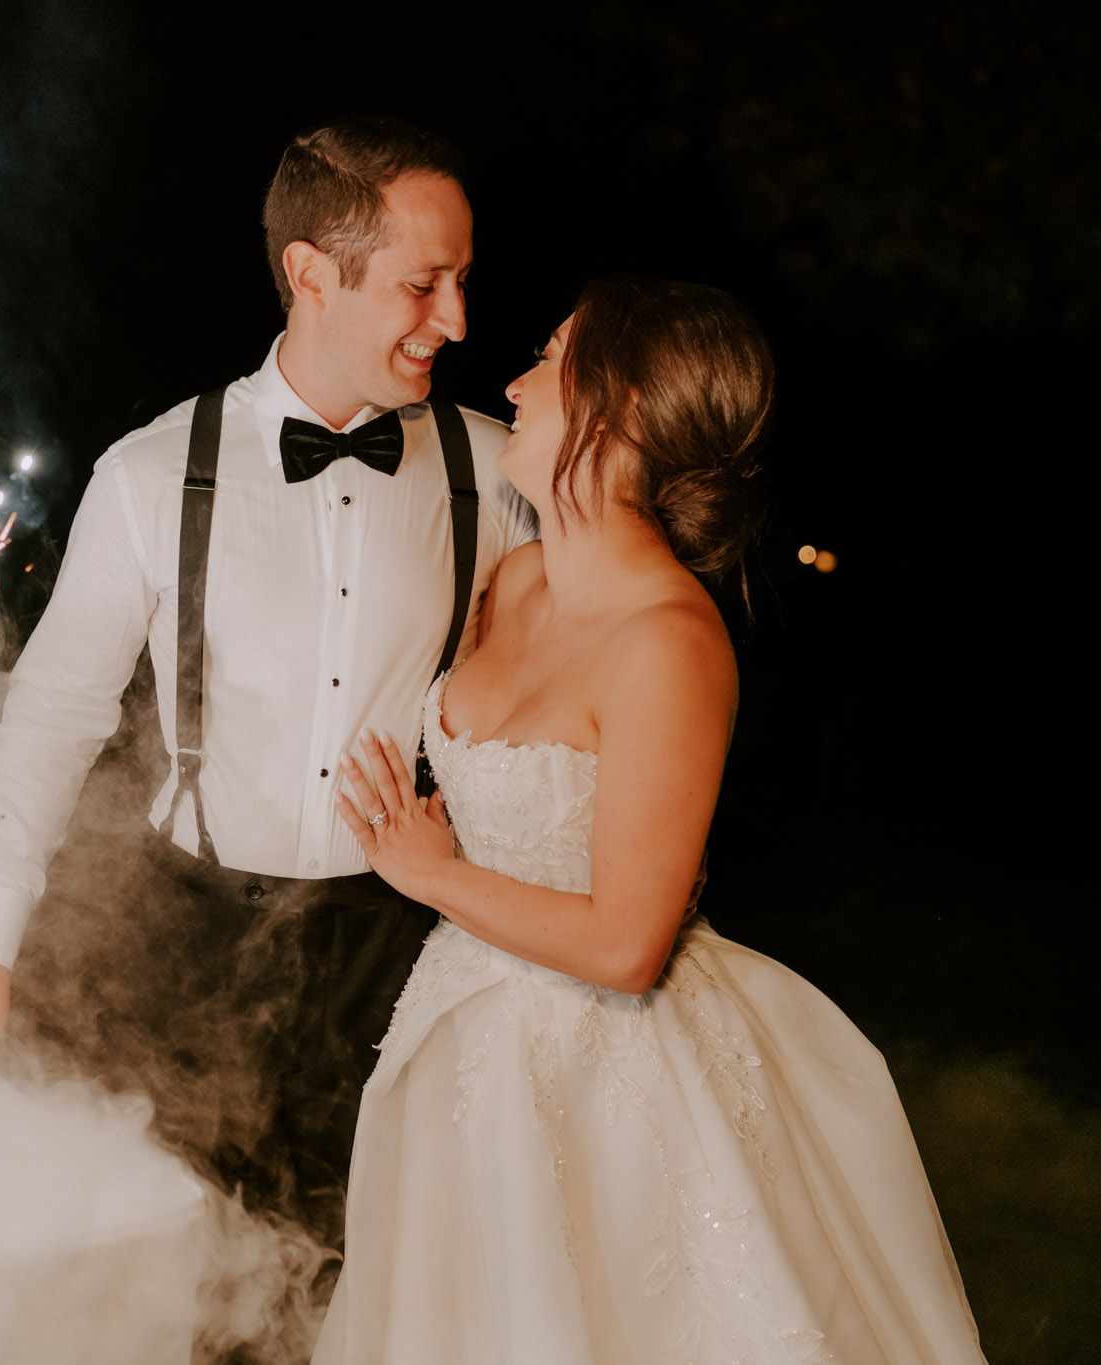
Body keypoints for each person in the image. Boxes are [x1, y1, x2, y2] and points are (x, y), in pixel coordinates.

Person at [313, 278, 987, 1363]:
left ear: (616, 405)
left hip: (605, 1081)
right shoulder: (512, 582)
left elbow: (626, 946)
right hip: (462, 1048)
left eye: (546, 357)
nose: (514, 381)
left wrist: (429, 872)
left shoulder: (669, 641)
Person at [0, 118, 535, 1241]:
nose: (456, 319)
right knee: (201, 1287)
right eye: (423, 283)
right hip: (188, 942)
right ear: (309, 274)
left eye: (459, 281)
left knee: (385, 1282)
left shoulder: (496, 471)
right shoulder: (152, 473)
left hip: (402, 949)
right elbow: (57, 707)